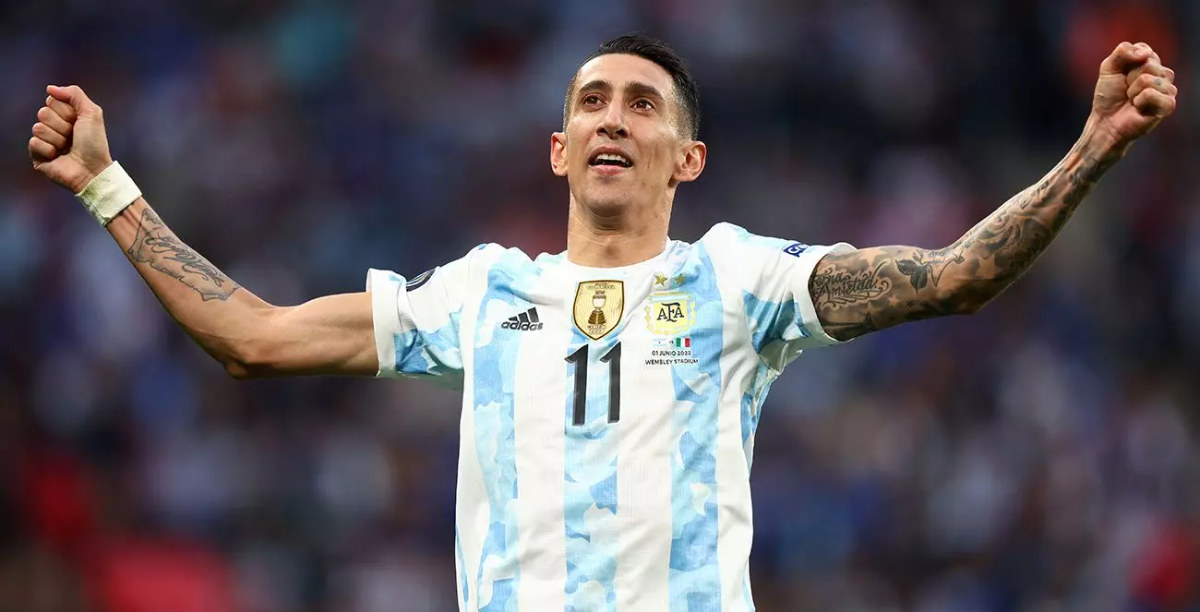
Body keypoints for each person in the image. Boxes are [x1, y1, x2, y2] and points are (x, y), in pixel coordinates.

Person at [28, 33, 1176, 612]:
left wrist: (1092, 148)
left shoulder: (739, 282)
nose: (612, 119)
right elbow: (254, 338)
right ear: (559, 149)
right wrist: (103, 183)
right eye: (590, 102)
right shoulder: (481, 295)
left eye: (641, 105)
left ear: (689, 158)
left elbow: (958, 276)